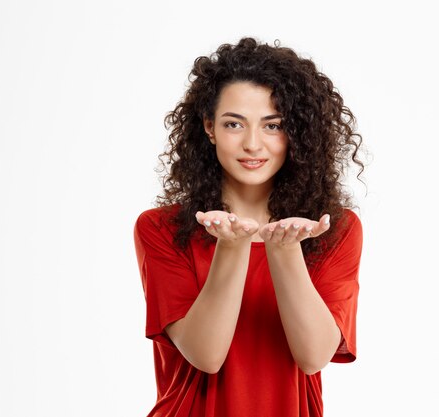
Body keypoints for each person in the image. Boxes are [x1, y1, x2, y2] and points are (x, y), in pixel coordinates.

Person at [133, 37, 366, 417]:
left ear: (296, 133)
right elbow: (206, 355)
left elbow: (313, 356)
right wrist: (233, 245)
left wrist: (284, 249)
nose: (253, 144)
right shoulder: (160, 228)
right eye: (233, 124)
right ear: (209, 127)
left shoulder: (332, 230)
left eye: (273, 126)